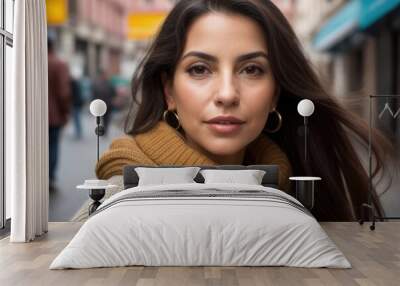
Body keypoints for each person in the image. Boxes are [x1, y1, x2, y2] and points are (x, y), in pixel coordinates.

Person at [74, 0, 393, 222]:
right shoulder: (119, 195)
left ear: (274, 94)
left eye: (252, 69)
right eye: (199, 69)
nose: (226, 94)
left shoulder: (302, 191)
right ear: (169, 91)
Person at [48, 39, 71, 190]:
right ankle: (49, 177)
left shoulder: (27, 59)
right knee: (53, 145)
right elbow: (63, 92)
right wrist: (65, 112)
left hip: (29, 117)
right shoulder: (59, 64)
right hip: (53, 115)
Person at [91, 70, 116, 136]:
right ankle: (103, 129)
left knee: (107, 118)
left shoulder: (109, 84)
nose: (104, 76)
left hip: (108, 104)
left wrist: (113, 100)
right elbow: (94, 94)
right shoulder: (97, 84)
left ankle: (105, 130)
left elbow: (114, 93)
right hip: (100, 105)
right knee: (102, 118)